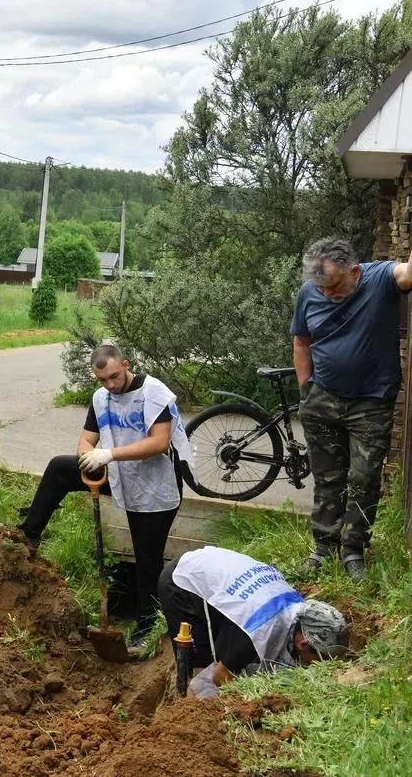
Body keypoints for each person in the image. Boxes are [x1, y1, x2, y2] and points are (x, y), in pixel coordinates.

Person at [18, 343, 194, 645]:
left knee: (146, 558)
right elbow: (86, 441)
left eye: (114, 376)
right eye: (103, 380)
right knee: (60, 468)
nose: (110, 385)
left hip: (156, 486)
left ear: (125, 364)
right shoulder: (102, 398)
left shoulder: (153, 392)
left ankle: (145, 626)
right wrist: (89, 457)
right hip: (120, 474)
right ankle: (28, 535)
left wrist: (109, 454)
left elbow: (160, 443)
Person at [292, 237, 412, 580]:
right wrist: (307, 390)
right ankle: (324, 548)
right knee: (328, 479)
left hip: (371, 402)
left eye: (334, 286)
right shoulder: (309, 292)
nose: (327, 295)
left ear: (355, 271)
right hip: (322, 400)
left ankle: (354, 550)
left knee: (364, 478)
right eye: (321, 288)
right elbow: (301, 340)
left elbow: (409, 275)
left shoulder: (380, 278)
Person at [159, 545, 348, 697]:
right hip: (183, 581)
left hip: (221, 573)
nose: (316, 666)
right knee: (204, 665)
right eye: (319, 660)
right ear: (304, 644)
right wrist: (251, 702)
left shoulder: (297, 608)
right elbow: (220, 676)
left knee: (232, 653)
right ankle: (185, 713)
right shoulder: (255, 633)